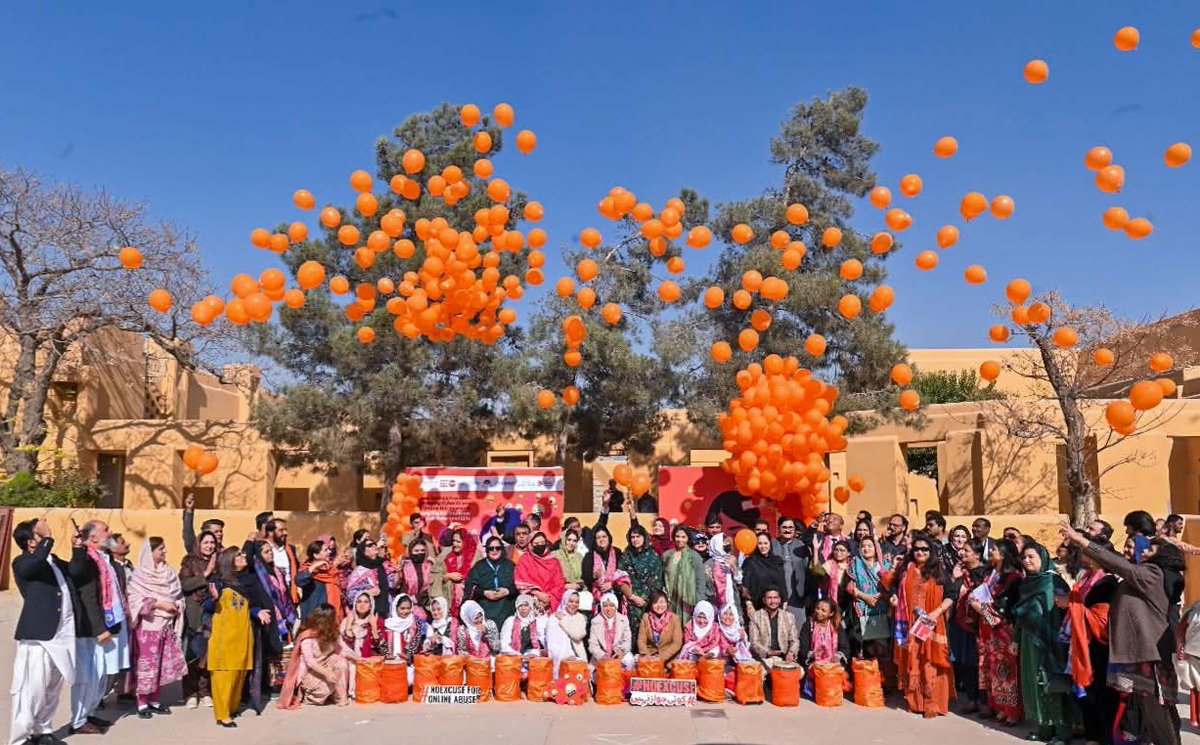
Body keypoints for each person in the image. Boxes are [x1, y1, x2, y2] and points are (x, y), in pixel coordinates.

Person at [1060, 521, 1183, 745]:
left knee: (1158, 709)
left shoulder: (1152, 573)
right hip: (1140, 653)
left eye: (1149, 548)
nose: (1142, 551)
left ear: (1160, 557)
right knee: (1148, 709)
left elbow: (1116, 563)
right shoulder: (1139, 574)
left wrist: (1081, 541)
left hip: (1150, 654)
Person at [9, 519, 77, 745]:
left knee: (52, 687)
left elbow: (77, 572)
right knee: (32, 690)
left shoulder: (52, 561)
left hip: (61, 634)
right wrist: (47, 539)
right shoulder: (23, 561)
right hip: (39, 636)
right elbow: (31, 566)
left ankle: (42, 729)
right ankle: (20, 738)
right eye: (39, 534)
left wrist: (78, 548)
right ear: (31, 542)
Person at [68, 520, 128, 736]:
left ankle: (90, 712)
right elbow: (87, 596)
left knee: (102, 674)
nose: (110, 533)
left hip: (110, 623)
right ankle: (78, 720)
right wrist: (98, 627)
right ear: (92, 537)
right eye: (105, 530)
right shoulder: (86, 559)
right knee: (88, 676)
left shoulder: (106, 558)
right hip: (93, 628)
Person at [1011, 542, 1072, 743]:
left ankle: (1062, 732)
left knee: (1051, 684)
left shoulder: (1055, 582)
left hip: (1051, 640)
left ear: (1043, 558)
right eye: (1024, 558)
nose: (1027, 561)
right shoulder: (1027, 582)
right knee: (1034, 685)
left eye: (1031, 557)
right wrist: (1016, 639)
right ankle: (1044, 726)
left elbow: (1065, 612)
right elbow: (1021, 613)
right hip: (1030, 640)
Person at [891, 535, 958, 718]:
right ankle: (916, 701)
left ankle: (932, 701)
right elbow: (894, 587)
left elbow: (952, 594)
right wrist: (895, 597)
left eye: (925, 549)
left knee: (930, 661)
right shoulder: (906, 570)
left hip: (932, 622)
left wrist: (935, 613)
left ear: (931, 552)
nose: (920, 552)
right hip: (911, 624)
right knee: (914, 659)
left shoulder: (939, 571)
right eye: (917, 549)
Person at [207, 547, 270, 727]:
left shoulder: (247, 581)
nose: (243, 557)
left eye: (243, 554)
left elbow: (248, 606)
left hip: (243, 633)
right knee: (224, 674)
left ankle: (232, 707)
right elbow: (208, 607)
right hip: (225, 636)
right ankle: (223, 714)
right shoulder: (219, 581)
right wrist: (213, 599)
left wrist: (257, 612)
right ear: (229, 561)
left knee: (239, 672)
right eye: (239, 555)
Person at [1064, 538, 1118, 745]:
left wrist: (1072, 605)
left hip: (1099, 645)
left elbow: (1101, 619)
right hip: (1083, 642)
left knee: (1100, 694)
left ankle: (1103, 737)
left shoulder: (1107, 582)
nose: (1082, 555)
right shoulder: (1087, 577)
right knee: (1087, 692)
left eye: (1086, 551)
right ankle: (1091, 734)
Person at [126, 537, 186, 719]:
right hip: (147, 627)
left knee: (160, 664)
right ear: (150, 552)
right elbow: (134, 601)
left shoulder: (169, 572)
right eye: (160, 548)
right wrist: (159, 604)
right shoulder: (139, 575)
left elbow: (178, 595)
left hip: (166, 626)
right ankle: (142, 702)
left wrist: (176, 605)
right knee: (146, 665)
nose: (164, 551)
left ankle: (155, 700)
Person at [973, 538, 1024, 725]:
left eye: (994, 548)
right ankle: (1000, 706)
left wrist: (981, 608)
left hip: (1003, 628)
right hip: (987, 627)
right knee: (992, 668)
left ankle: (1013, 710)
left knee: (1006, 669)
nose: (991, 551)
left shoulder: (1014, 577)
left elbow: (1008, 606)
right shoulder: (993, 572)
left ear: (1003, 553)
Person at [277, 604, 360, 709]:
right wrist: (327, 673)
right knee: (325, 688)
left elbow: (342, 650)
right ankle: (310, 696)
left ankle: (342, 697)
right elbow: (310, 662)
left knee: (341, 661)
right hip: (310, 672)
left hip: (326, 665)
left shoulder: (332, 632)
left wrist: (360, 659)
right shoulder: (307, 636)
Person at [179, 529, 217, 709]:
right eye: (206, 543)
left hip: (213, 612)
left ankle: (205, 691)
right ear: (198, 544)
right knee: (192, 653)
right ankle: (190, 693)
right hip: (194, 611)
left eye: (212, 543)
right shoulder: (189, 561)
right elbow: (184, 585)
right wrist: (205, 575)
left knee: (208, 654)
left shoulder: (218, 561)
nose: (209, 546)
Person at [949, 539, 988, 713]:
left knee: (980, 662)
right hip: (960, 624)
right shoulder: (960, 572)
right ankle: (972, 699)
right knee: (964, 661)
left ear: (978, 555)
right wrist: (954, 578)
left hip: (980, 625)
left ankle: (985, 701)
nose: (962, 552)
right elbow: (950, 594)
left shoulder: (986, 573)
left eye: (967, 550)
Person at [846, 536, 889, 659]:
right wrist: (866, 597)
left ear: (876, 548)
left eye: (869, 546)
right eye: (863, 546)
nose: (866, 549)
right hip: (862, 607)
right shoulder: (854, 563)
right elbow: (850, 587)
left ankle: (882, 674)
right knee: (866, 648)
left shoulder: (884, 565)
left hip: (882, 608)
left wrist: (880, 596)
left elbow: (891, 587)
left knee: (882, 647)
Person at [249, 541, 296, 649]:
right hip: (269, 617)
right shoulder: (257, 575)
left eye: (271, 550)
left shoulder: (277, 571)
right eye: (266, 552)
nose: (271, 553)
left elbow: (285, 595)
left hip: (285, 615)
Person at [618, 523, 663, 632]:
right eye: (632, 537)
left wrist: (643, 598)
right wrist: (633, 597)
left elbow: (656, 579)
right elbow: (620, 578)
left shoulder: (653, 556)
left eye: (638, 536)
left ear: (644, 537)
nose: (635, 539)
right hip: (630, 599)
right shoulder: (626, 556)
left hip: (649, 601)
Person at [465, 537, 517, 626]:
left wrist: (507, 591)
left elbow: (519, 585)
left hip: (506, 609)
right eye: (490, 548)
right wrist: (484, 592)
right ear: (486, 550)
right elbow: (470, 586)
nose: (494, 551)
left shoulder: (510, 565)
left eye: (497, 548)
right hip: (485, 609)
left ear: (502, 549)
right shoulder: (479, 566)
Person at [748, 588, 800, 672]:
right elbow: (754, 642)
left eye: (775, 598)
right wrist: (769, 652)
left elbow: (794, 640)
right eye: (769, 598)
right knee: (757, 674)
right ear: (764, 600)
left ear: (779, 600)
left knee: (799, 673)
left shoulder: (789, 617)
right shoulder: (756, 617)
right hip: (764, 658)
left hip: (784, 657)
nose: (773, 601)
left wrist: (791, 653)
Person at [771, 517, 809, 629]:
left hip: (798, 597)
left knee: (798, 630)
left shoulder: (802, 546)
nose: (788, 530)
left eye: (791, 528)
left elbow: (808, 570)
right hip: (777, 596)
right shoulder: (772, 545)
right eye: (784, 527)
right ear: (778, 528)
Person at [514, 531, 566, 614]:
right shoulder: (524, 560)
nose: (540, 545)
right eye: (536, 543)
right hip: (530, 600)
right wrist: (537, 593)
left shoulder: (554, 561)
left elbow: (559, 584)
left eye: (542, 542)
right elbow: (520, 581)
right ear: (530, 544)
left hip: (551, 601)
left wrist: (548, 598)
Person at [433, 528, 479, 620]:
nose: (454, 544)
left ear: (465, 542)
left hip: (469, 598)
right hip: (448, 598)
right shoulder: (446, 554)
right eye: (453, 541)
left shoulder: (476, 556)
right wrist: (448, 576)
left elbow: (480, 578)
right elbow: (435, 575)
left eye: (458, 541)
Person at [663, 526, 706, 624]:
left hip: (689, 601)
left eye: (683, 537)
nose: (680, 539)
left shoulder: (694, 556)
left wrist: (699, 601)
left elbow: (700, 581)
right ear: (674, 537)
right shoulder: (667, 555)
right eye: (677, 536)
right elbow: (663, 576)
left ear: (688, 539)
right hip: (670, 599)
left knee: (687, 627)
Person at [582, 527, 630, 612]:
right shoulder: (589, 556)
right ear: (595, 540)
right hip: (596, 597)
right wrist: (594, 576)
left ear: (609, 538)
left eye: (604, 536)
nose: (601, 539)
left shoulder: (617, 552)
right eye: (598, 537)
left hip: (616, 594)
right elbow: (585, 577)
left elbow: (624, 574)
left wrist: (612, 584)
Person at [796, 598, 849, 673]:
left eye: (823, 610)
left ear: (831, 613)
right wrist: (813, 654)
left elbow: (845, 647)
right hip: (813, 664)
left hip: (833, 665)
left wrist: (837, 656)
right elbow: (803, 647)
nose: (818, 612)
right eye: (817, 608)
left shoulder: (836, 626)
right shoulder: (808, 624)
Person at [296, 540, 342, 622]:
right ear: (316, 555)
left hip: (331, 614)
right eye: (325, 550)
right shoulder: (307, 570)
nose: (329, 551)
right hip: (316, 616)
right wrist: (314, 567)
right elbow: (299, 581)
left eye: (329, 549)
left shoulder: (331, 570)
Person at [346, 538, 391, 619]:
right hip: (367, 615)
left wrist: (398, 572)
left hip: (385, 611)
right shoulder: (359, 571)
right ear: (364, 552)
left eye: (374, 544)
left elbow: (393, 585)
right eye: (370, 545)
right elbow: (350, 594)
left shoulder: (383, 565)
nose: (374, 546)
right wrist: (367, 592)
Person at [741, 532, 785, 614]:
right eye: (760, 543)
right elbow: (745, 586)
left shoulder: (777, 561)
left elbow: (782, 583)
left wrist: (784, 601)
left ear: (770, 544)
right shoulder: (750, 562)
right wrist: (749, 604)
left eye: (765, 543)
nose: (763, 546)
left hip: (775, 606)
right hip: (757, 607)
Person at [547, 591, 589, 677]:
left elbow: (578, 635)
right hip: (560, 659)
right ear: (565, 601)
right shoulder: (554, 618)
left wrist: (564, 620)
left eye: (577, 602)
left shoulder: (580, 618)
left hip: (578, 658)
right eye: (571, 601)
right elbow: (551, 644)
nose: (574, 604)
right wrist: (565, 656)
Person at [588, 593, 634, 668]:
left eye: (612, 605)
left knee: (629, 663)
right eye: (605, 606)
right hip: (601, 657)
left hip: (619, 655)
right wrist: (602, 656)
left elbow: (627, 640)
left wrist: (621, 651)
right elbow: (592, 645)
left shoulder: (623, 619)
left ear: (616, 606)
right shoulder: (595, 621)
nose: (609, 609)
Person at [636, 592, 682, 666]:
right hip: (649, 658)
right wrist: (647, 656)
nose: (659, 605)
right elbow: (641, 639)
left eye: (662, 602)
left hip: (668, 660)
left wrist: (661, 657)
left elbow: (677, 643)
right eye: (655, 603)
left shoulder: (674, 619)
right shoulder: (646, 617)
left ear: (667, 603)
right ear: (651, 605)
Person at [264, 519, 300, 606]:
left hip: (288, 594)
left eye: (285, 530)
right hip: (271, 595)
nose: (285, 533)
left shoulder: (290, 549)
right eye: (281, 530)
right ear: (270, 532)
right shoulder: (261, 549)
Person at [500, 594, 546, 661]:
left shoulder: (536, 622)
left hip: (532, 657)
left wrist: (536, 653)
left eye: (526, 605)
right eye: (520, 606)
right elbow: (504, 645)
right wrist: (518, 655)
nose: (523, 608)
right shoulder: (510, 621)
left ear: (530, 607)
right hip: (513, 657)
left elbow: (543, 641)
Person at [340, 592, 384, 659]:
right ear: (355, 604)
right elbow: (345, 645)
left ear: (370, 606)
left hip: (370, 663)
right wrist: (348, 624)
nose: (362, 604)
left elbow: (382, 650)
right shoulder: (347, 620)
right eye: (359, 602)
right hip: (350, 660)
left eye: (366, 602)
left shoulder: (377, 621)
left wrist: (374, 627)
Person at [394, 539, 434, 614]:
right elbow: (396, 585)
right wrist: (398, 571)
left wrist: (417, 598)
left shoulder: (429, 565)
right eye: (416, 551)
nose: (420, 553)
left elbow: (432, 587)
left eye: (422, 550)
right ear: (411, 551)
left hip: (426, 606)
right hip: (406, 607)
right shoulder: (405, 565)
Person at [705, 534, 741, 612]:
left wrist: (734, 566)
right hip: (715, 605)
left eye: (728, 544)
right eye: (724, 544)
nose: (727, 546)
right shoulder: (709, 564)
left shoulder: (732, 559)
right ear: (717, 545)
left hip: (733, 603)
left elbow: (739, 580)